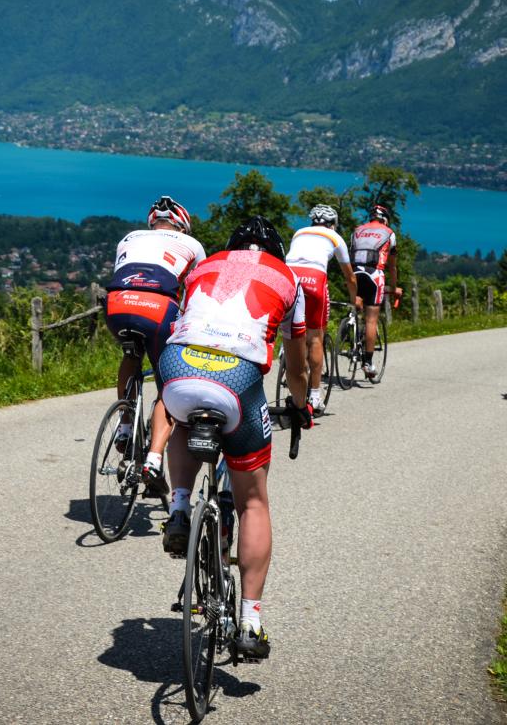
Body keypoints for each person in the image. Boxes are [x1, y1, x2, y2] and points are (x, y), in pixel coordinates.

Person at [157, 216, 311, 659]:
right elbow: (297, 364)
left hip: (178, 369)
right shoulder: (288, 278)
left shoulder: (204, 265)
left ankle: (180, 507)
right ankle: (250, 621)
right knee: (253, 502)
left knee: (185, 419)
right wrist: (299, 406)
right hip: (237, 380)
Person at [103, 196, 206, 489]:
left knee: (132, 356)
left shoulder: (129, 237)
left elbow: (123, 274)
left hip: (117, 303)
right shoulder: (193, 244)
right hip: (157, 307)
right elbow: (201, 287)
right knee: (168, 385)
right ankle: (154, 459)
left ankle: (124, 425)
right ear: (182, 227)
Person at [286, 204, 361, 415]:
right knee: (315, 338)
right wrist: (354, 299)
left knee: (291, 325)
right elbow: (350, 276)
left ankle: (286, 352)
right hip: (314, 278)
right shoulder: (335, 237)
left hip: (289, 275)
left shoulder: (299, 232)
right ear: (333, 224)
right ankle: (315, 395)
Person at [350, 203, 402, 378]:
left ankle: (349, 329)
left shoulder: (357, 230)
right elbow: (392, 266)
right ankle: (368, 362)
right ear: (385, 219)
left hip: (354, 273)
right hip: (374, 275)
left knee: (357, 303)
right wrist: (394, 288)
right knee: (371, 319)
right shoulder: (389, 233)